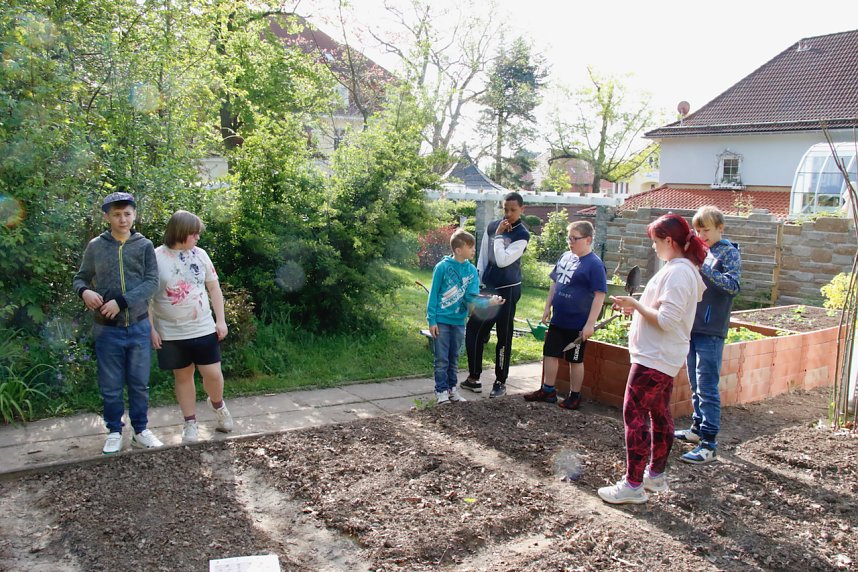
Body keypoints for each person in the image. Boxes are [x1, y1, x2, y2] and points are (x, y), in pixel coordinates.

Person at [597, 213, 707, 504]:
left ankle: (633, 485)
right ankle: (654, 476)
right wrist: (637, 307)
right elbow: (664, 310)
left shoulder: (679, 273)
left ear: (669, 241)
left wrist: (636, 304)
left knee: (634, 415)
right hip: (659, 356)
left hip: (655, 358)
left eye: (656, 242)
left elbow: (668, 321)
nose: (654, 247)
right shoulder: (679, 269)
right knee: (659, 414)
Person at [73, 191, 163, 454]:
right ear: (107, 217)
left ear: (134, 215)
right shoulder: (96, 246)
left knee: (139, 384)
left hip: (138, 326)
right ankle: (114, 431)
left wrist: (121, 302)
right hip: (107, 330)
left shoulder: (144, 245)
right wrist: (85, 292)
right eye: (117, 215)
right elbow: (80, 278)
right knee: (110, 386)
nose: (123, 219)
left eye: (127, 214)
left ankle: (140, 431)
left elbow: (152, 282)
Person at [149, 210, 234, 443]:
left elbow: (214, 288)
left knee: (213, 375)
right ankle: (190, 423)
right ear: (181, 232)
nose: (198, 237)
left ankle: (218, 406)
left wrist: (220, 320)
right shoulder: (155, 257)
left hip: (203, 328)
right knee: (183, 376)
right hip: (171, 332)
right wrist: (151, 328)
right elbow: (147, 298)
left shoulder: (201, 254)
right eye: (194, 233)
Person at [675, 206, 741, 464]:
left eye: (706, 230)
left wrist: (704, 268)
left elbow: (733, 286)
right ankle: (696, 429)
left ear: (720, 228)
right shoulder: (702, 251)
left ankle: (709, 444)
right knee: (694, 382)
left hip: (712, 329)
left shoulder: (729, 252)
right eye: (698, 231)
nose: (702, 235)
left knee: (707, 386)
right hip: (693, 325)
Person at [523, 221, 607, 410]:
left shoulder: (595, 264)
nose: (570, 242)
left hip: (577, 323)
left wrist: (590, 324)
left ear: (588, 240)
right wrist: (547, 307)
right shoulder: (565, 257)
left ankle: (575, 396)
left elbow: (600, 295)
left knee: (574, 359)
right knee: (550, 353)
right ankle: (548, 390)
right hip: (558, 318)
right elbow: (555, 283)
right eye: (569, 238)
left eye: (575, 239)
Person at [461, 192, 530, 398]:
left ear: (522, 210)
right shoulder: (492, 226)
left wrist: (499, 236)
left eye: (513, 210)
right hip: (489, 288)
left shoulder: (522, 235)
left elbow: (502, 260)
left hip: (508, 290)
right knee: (474, 329)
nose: (508, 214)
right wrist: (478, 283)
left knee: (503, 335)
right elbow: (483, 257)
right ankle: (474, 377)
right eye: (505, 209)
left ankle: (500, 381)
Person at [427, 230, 503, 405]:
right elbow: (433, 295)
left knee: (454, 358)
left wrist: (489, 302)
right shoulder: (442, 268)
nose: (474, 250)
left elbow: (471, 297)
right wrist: (432, 320)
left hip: (459, 322)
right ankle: (441, 391)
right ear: (458, 250)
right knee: (442, 359)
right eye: (470, 247)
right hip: (441, 320)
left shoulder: (471, 270)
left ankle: (452, 390)